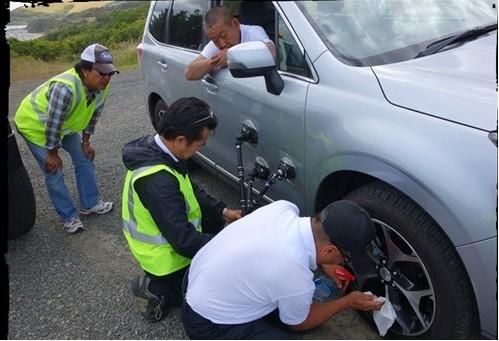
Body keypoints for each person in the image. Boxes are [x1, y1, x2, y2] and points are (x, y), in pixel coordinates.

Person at [182, 200, 384, 339]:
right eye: (345, 257)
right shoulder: (295, 277)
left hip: (198, 277)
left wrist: (325, 262)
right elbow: (298, 322)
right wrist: (347, 302)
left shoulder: (284, 208)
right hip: (207, 323)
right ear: (329, 250)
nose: (344, 262)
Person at [121, 97, 242, 322]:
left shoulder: (162, 150)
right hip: (165, 259)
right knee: (209, 298)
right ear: (180, 139)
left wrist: (223, 211)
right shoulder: (157, 181)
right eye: (201, 144)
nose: (201, 149)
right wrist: (229, 246)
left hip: (173, 239)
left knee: (216, 225)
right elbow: (184, 242)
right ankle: (155, 290)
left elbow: (190, 189)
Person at [14, 43, 118, 234]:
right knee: (54, 170)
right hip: (35, 125)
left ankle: (90, 203)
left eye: (109, 73)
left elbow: (94, 115)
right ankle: (69, 217)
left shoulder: (102, 87)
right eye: (101, 73)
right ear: (85, 71)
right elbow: (53, 124)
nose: (106, 78)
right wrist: (52, 154)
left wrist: (86, 143)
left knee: (85, 158)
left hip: (65, 126)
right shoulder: (65, 88)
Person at [184, 5, 276, 80]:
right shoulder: (215, 43)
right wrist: (214, 62)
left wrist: (231, 56)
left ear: (235, 24)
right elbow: (189, 73)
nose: (222, 44)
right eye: (215, 40)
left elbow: (271, 52)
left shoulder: (253, 32)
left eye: (224, 35)